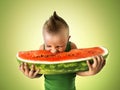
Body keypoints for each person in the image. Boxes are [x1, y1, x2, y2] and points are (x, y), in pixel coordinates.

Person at [19, 11, 106, 90]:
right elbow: (40, 72)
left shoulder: (72, 47)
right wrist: (32, 75)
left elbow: (76, 70)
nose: (53, 51)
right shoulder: (42, 48)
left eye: (59, 46)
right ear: (44, 40)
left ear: (68, 39)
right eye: (48, 46)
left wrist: (90, 72)